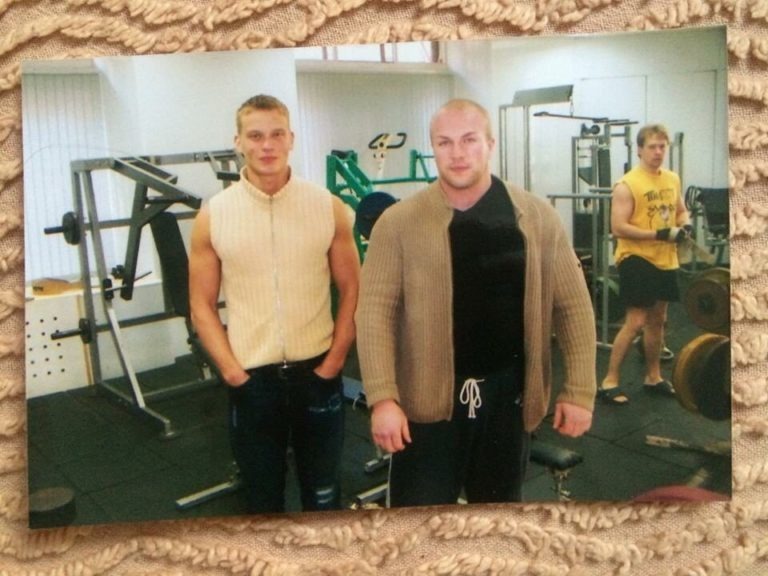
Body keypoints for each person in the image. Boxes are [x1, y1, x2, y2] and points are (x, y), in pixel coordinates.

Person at [355, 98, 596, 508]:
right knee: (420, 531)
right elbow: (374, 314)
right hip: (426, 408)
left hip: (508, 404)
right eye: (444, 142)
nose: (457, 153)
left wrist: (579, 389)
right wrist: (382, 398)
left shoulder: (537, 217)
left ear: (490, 144)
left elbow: (572, 306)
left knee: (497, 523)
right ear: (433, 148)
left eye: (469, 140)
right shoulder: (397, 224)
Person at [189, 94, 360, 513]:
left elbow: (354, 289)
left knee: (324, 498)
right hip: (251, 380)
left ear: (291, 139)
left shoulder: (328, 207)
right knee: (262, 503)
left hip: (317, 374)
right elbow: (201, 306)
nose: (267, 145)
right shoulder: (214, 215)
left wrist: (334, 363)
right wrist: (233, 374)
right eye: (255, 136)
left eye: (276, 134)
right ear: (238, 142)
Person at [598, 124, 690, 405]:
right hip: (635, 257)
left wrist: (685, 225)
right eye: (652, 147)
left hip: (665, 258)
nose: (658, 152)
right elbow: (618, 227)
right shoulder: (627, 185)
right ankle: (609, 381)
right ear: (639, 150)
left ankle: (653, 376)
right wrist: (659, 234)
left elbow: (681, 211)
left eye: (662, 146)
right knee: (636, 321)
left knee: (658, 320)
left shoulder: (672, 179)